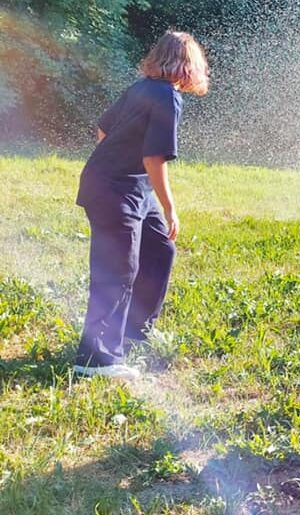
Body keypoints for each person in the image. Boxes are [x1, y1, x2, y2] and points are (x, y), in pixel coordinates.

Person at [74, 31, 209, 381]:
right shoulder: (165, 96)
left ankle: (134, 332)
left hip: (129, 188)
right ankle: (95, 360)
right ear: (185, 65)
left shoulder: (142, 88)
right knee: (118, 270)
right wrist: (170, 207)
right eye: (197, 63)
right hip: (114, 191)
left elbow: (103, 131)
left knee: (160, 247)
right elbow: (153, 157)